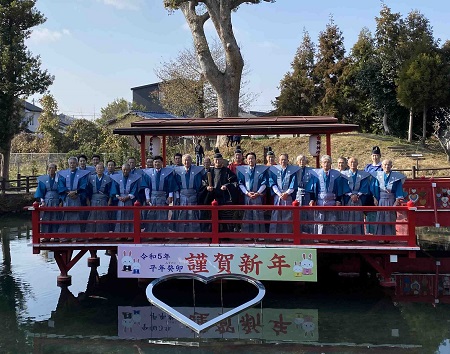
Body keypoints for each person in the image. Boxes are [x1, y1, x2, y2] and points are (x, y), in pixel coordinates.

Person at [307, 155, 348, 236]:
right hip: (320, 200)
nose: (326, 164)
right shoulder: (316, 174)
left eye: (328, 162)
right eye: (324, 162)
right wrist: (312, 199)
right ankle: (319, 237)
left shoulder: (336, 174)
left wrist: (338, 200)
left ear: (331, 164)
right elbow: (312, 187)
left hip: (332, 200)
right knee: (320, 220)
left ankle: (331, 237)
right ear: (321, 164)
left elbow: (339, 188)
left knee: (331, 220)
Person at [199, 148, 239, 232]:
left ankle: (226, 234)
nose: (217, 161)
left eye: (219, 160)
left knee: (225, 218)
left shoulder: (227, 171)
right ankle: (211, 233)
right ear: (213, 161)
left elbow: (234, 182)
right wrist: (207, 187)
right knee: (211, 217)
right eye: (216, 160)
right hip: (212, 196)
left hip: (224, 197)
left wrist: (226, 186)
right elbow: (203, 182)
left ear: (222, 160)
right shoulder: (209, 171)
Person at [371, 159, 406, 238]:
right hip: (381, 199)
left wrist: (397, 200)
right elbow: (374, 187)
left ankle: (390, 237)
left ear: (391, 166)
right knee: (380, 217)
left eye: (388, 165)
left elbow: (398, 189)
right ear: (382, 166)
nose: (387, 166)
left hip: (391, 199)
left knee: (390, 217)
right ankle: (380, 237)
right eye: (385, 165)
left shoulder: (396, 177)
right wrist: (375, 198)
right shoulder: (377, 175)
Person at [237, 152, 268, 235]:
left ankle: (259, 234)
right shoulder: (242, 170)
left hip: (258, 196)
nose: (251, 160)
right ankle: (248, 234)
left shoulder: (261, 170)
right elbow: (240, 183)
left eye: (252, 158)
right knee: (248, 215)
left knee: (258, 215)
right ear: (246, 160)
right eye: (249, 159)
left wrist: (257, 193)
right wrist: (247, 193)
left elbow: (264, 183)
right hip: (247, 196)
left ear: (255, 159)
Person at [57, 157, 90, 236]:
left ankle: (77, 235)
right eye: (71, 163)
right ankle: (66, 235)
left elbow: (84, 185)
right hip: (67, 197)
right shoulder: (63, 174)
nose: (72, 165)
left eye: (74, 163)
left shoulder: (82, 174)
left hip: (77, 197)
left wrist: (76, 192)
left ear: (77, 164)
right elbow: (60, 185)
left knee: (77, 215)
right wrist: (68, 192)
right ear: (68, 164)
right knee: (66, 215)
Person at [142, 155, 175, 232]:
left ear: (162, 163)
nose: (157, 163)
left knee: (163, 214)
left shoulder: (168, 172)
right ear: (153, 163)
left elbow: (170, 184)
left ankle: (163, 232)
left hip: (163, 196)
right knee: (151, 214)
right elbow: (146, 186)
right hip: (153, 196)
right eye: (155, 162)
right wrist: (147, 197)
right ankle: (151, 232)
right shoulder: (148, 173)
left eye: (159, 162)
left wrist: (170, 196)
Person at [268, 154, 299, 234]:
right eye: (281, 160)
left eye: (285, 159)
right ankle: (277, 235)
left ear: (287, 161)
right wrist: (279, 193)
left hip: (287, 196)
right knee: (277, 216)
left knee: (287, 216)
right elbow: (272, 183)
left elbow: (293, 184)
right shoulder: (274, 170)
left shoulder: (292, 171)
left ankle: (287, 234)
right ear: (278, 161)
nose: (283, 161)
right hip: (278, 196)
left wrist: (286, 193)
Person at [173, 154, 204, 232]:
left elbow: (198, 183)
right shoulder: (178, 171)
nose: (187, 162)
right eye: (185, 160)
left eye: (188, 160)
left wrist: (197, 193)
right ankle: (182, 233)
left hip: (193, 194)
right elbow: (176, 184)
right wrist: (177, 195)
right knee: (182, 213)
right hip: (182, 194)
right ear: (183, 161)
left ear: (191, 161)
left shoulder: (196, 171)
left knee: (193, 214)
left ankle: (195, 232)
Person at [341, 157, 371, 236]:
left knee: (358, 216)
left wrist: (357, 195)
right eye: (351, 162)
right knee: (348, 216)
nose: (353, 164)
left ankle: (358, 235)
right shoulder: (344, 174)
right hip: (348, 198)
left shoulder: (363, 175)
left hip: (359, 198)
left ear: (357, 164)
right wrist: (351, 195)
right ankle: (348, 235)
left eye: (354, 162)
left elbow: (364, 186)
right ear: (348, 164)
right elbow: (343, 185)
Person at [110, 163, 141, 233]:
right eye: (124, 170)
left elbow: (135, 189)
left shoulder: (134, 178)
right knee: (119, 216)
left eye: (127, 170)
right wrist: (118, 197)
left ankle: (130, 233)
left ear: (130, 170)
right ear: (121, 170)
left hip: (130, 199)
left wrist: (128, 197)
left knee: (129, 216)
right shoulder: (116, 178)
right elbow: (114, 188)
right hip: (120, 199)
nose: (125, 171)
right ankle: (119, 233)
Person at [86, 163, 113, 233]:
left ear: (104, 169)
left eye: (101, 168)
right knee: (93, 216)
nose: (99, 170)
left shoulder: (108, 178)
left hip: (103, 199)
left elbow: (110, 190)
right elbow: (88, 190)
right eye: (98, 168)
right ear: (95, 169)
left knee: (103, 215)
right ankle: (92, 233)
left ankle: (104, 233)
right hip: (93, 199)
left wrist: (110, 200)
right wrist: (87, 199)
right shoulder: (91, 178)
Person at [34, 163, 60, 234]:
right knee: (46, 217)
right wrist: (42, 201)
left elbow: (61, 190)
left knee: (56, 217)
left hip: (56, 199)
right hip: (47, 199)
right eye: (49, 168)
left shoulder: (59, 179)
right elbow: (40, 191)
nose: (51, 170)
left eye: (52, 168)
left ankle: (55, 235)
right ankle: (46, 235)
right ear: (47, 170)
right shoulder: (43, 179)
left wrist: (61, 201)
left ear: (55, 169)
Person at [364, 146, 383, 234]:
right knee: (368, 212)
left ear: (380, 156)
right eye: (373, 155)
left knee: (377, 213)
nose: (375, 157)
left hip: (378, 191)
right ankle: (368, 231)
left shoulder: (382, 167)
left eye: (376, 155)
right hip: (367, 192)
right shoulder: (368, 167)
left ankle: (377, 232)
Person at [295, 155, 314, 233]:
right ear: (297, 162)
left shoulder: (310, 170)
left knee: (308, 213)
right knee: (298, 213)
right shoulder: (295, 170)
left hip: (307, 193)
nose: (302, 162)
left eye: (303, 160)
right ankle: (298, 231)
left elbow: (313, 183)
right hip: (298, 193)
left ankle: (308, 231)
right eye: (300, 160)